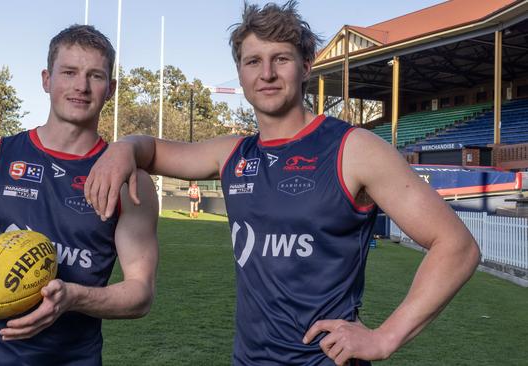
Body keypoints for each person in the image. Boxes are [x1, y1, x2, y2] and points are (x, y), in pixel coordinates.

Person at [83, 1, 480, 365]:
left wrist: (386, 336)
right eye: (253, 61)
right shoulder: (232, 153)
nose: (267, 73)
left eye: (281, 59)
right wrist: (123, 148)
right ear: (240, 73)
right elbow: (151, 150)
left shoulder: (353, 148)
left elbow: (456, 247)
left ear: (306, 66)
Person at [0, 25, 159, 366]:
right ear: (46, 79)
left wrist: (73, 297)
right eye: (69, 72)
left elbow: (140, 294)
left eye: (95, 76)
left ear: (110, 89)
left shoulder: (132, 184)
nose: (81, 86)